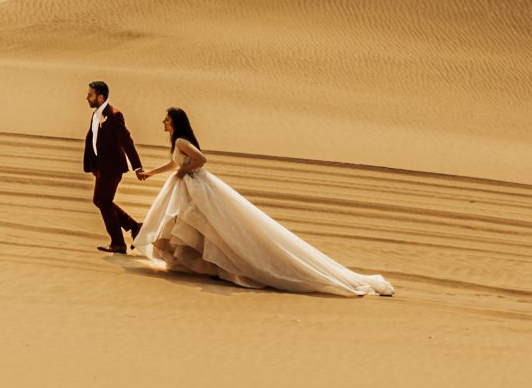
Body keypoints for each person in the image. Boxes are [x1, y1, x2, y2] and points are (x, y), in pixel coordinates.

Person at [134, 107, 393, 297]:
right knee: (193, 225)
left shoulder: (180, 139)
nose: (163, 121)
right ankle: (204, 265)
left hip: (195, 187)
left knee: (206, 225)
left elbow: (201, 160)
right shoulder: (176, 142)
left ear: (175, 121)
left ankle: (214, 265)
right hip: (187, 187)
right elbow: (174, 162)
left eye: (166, 118)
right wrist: (152, 172)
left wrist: (183, 171)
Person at [81, 80, 143, 253]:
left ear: (100, 97)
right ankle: (134, 227)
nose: (87, 97)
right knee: (99, 200)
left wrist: (137, 166)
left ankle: (118, 243)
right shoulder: (96, 114)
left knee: (103, 201)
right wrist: (93, 166)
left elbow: (126, 141)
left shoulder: (114, 115)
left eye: (90, 95)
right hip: (101, 169)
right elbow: (92, 141)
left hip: (113, 168)